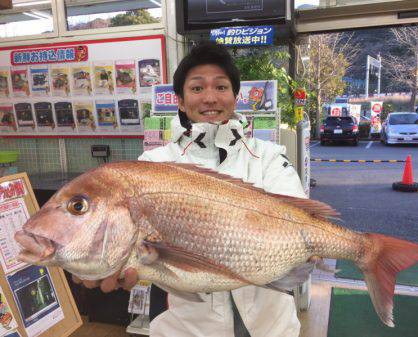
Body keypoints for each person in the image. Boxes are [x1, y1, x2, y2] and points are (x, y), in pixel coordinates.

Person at [75, 41, 308, 336]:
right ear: (181, 101)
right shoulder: (155, 164)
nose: (210, 98)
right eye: (197, 89)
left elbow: (299, 216)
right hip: (185, 329)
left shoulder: (268, 156)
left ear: (236, 97)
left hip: (270, 324)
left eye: (221, 87)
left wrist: (307, 245)